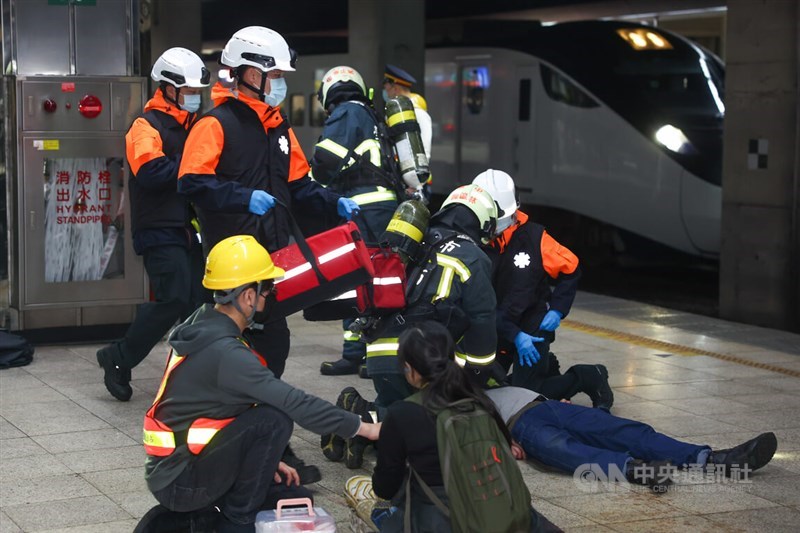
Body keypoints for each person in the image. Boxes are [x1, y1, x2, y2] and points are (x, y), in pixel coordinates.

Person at [177, 26, 360, 485]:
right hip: (234, 262)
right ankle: (257, 444)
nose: (279, 82)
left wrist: (331, 201)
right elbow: (190, 181)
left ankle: (262, 442)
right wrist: (243, 197)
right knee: (254, 355)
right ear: (248, 73)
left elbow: (299, 185)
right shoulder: (214, 123)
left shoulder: (279, 128)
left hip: (269, 263)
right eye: (273, 73)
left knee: (268, 353)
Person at [142, 235, 381, 533]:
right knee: (273, 419)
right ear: (248, 296)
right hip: (183, 482)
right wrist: (364, 427)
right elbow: (294, 402)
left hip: (178, 466)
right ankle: (234, 524)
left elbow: (221, 409)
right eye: (267, 288)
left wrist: (264, 460)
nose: (270, 295)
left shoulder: (200, 324)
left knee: (294, 496)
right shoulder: (227, 353)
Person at [322, 184, 500, 470]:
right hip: (420, 363)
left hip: (380, 356)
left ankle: (362, 419)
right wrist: (477, 377)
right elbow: (482, 322)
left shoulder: (414, 241)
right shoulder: (472, 256)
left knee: (397, 408)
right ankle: (368, 419)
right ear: (483, 222)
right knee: (434, 428)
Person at [97, 47, 210, 402]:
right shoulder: (145, 126)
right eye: (189, 92)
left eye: (197, 92)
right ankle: (118, 356)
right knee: (173, 297)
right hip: (158, 227)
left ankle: (189, 376)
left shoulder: (194, 125)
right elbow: (149, 171)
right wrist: (193, 162)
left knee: (197, 302)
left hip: (188, 229)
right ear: (168, 88)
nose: (195, 98)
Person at [371, 322, 557, 532]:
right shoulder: (479, 401)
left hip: (443, 520)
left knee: (380, 511)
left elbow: (385, 487)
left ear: (410, 369)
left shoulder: (402, 413)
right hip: (503, 511)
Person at [474, 169, 614, 410]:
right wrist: (514, 335)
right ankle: (547, 367)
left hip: (532, 327)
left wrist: (557, 310)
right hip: (500, 329)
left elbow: (571, 268)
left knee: (525, 396)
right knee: (484, 390)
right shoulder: (475, 241)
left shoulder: (535, 237)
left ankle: (588, 376)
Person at [486, 385, 778, 492]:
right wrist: (501, 440)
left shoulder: (474, 376)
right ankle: (639, 470)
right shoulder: (447, 407)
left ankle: (715, 459)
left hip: (548, 405)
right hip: (518, 424)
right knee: (565, 450)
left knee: (624, 431)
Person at [312, 66, 401, 377]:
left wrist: (310, 188)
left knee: (358, 279)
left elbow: (325, 160)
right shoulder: (371, 115)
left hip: (364, 210)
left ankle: (358, 354)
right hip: (381, 208)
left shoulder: (348, 112)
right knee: (375, 279)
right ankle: (365, 354)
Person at [382, 64, 433, 197]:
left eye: (387, 86)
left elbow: (424, 151)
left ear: (396, 87)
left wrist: (416, 185)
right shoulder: (395, 113)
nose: (385, 90)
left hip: (415, 184)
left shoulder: (418, 113)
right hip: (401, 180)